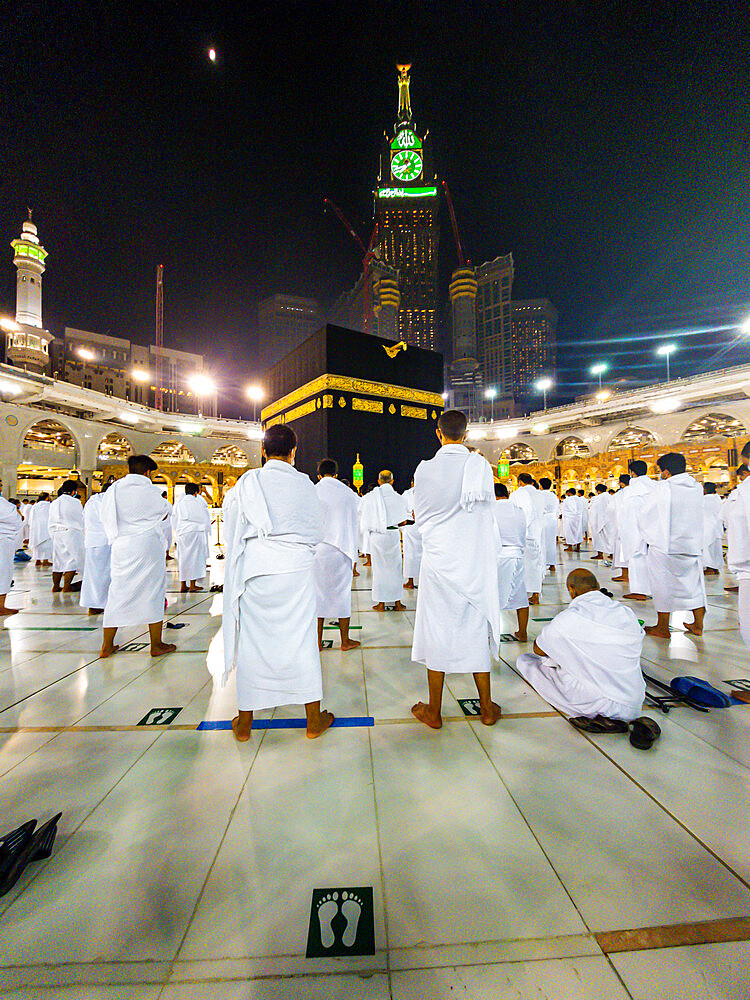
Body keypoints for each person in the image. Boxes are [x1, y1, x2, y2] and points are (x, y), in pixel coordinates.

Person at [222, 424, 333, 741]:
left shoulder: (249, 483)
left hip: (257, 571)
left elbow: (234, 530)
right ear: (294, 451)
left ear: (262, 450)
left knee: (253, 645)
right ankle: (313, 720)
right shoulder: (304, 485)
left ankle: (244, 724)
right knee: (302, 643)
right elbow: (316, 532)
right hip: (295, 572)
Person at [411, 410, 502, 729]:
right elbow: (487, 516)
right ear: (466, 434)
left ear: (439, 434)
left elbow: (420, 520)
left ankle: (434, 710)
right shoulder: (479, 466)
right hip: (473, 563)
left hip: (438, 562)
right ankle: (487, 709)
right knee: (475, 631)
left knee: (437, 630)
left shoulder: (424, 469)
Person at [516, 568, 646, 722]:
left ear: (571, 591)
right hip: (633, 702)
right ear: (597, 586)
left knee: (526, 661)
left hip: (599, 705)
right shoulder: (626, 612)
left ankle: (600, 718)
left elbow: (538, 649)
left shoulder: (569, 618)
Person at [99, 455, 175, 659]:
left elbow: (104, 514)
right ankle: (156, 644)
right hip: (146, 546)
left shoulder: (115, 488)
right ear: (148, 472)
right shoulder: (149, 490)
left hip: (122, 545)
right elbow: (165, 513)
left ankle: (107, 646)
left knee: (117, 591)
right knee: (153, 591)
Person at [638, 452, 706, 637]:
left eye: (661, 471)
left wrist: (648, 537)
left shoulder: (663, 488)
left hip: (665, 545)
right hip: (692, 544)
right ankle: (698, 624)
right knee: (694, 585)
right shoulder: (696, 486)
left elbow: (646, 513)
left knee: (662, 585)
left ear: (666, 471)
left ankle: (662, 627)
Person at [314, 458, 361, 651]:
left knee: (317, 595)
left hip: (317, 549)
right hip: (341, 549)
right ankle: (345, 641)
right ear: (335, 474)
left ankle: (316, 642)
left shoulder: (313, 490)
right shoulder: (348, 493)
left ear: (319, 475)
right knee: (342, 594)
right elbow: (355, 520)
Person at [359, 470, 408, 612]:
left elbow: (362, 513)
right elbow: (403, 520)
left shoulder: (370, 497)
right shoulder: (398, 498)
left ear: (379, 481)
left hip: (377, 536)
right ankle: (397, 602)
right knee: (395, 568)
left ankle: (381, 603)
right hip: (392, 534)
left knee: (379, 569)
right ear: (392, 481)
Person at [494, 483, 530, 641]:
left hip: (497, 556)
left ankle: (491, 633)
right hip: (516, 556)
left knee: (491, 595)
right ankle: (522, 632)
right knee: (520, 594)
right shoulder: (519, 510)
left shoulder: (490, 510)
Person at [617, 460, 657, 601]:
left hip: (636, 530)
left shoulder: (632, 490)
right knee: (652, 560)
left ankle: (640, 590)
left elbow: (628, 513)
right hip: (655, 530)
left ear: (632, 472)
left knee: (637, 559)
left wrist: (624, 531)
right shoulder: (656, 486)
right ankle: (653, 588)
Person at [510, 472, 546, 604]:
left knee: (526, 564)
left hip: (526, 532)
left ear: (519, 481)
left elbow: (521, 513)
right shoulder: (539, 494)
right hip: (539, 531)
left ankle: (529, 594)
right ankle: (535, 593)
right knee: (538, 562)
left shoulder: (518, 494)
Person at [172, 483, 212, 592]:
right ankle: (193, 585)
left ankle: (183, 584)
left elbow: (174, 517)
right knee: (194, 557)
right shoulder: (198, 502)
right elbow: (205, 518)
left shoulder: (179, 503)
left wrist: (177, 531)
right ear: (196, 492)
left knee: (183, 557)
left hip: (182, 533)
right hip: (196, 532)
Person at [79, 482, 112, 615]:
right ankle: (101, 604)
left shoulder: (91, 501)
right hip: (106, 542)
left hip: (92, 541)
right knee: (106, 574)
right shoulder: (108, 501)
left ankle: (92, 605)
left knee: (92, 575)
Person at [48, 481, 85, 593]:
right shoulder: (75, 502)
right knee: (73, 559)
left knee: (58, 560)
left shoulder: (55, 502)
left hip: (56, 533)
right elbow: (79, 518)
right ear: (74, 491)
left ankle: (55, 586)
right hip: (71, 532)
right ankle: (67, 586)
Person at [0, 495, 22, 615]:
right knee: (3, 572)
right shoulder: (3, 504)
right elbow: (15, 518)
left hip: (4, 538)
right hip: (3, 539)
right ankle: (0, 606)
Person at [401, 479, 422, 589]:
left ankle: (424, 580)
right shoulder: (406, 494)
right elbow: (402, 509)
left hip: (423, 526)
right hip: (410, 526)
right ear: (412, 483)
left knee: (425, 555)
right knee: (409, 555)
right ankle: (410, 581)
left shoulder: (426, 492)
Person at [611, 474, 631, 583]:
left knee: (623, 550)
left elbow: (611, 509)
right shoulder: (636, 491)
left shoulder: (620, 494)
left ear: (621, 483)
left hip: (623, 525)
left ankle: (625, 574)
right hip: (636, 526)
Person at [702, 482, 724, 575]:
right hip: (717, 526)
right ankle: (716, 568)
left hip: (707, 526)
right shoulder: (717, 498)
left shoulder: (704, 500)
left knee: (707, 548)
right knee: (716, 548)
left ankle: (709, 567)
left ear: (706, 489)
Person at [538, 477, 559, 573]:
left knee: (542, 541)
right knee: (551, 542)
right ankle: (552, 564)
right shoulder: (553, 495)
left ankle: (543, 562)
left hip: (543, 518)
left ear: (540, 485)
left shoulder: (539, 495)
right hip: (552, 519)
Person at [588, 484, 613, 560]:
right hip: (610, 520)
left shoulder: (597, 498)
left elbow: (594, 510)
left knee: (599, 538)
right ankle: (612, 553)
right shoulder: (611, 497)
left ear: (598, 490)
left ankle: (600, 554)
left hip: (599, 521)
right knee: (610, 537)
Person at [29, 493, 52, 566]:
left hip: (36, 526)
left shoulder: (35, 506)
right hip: (46, 527)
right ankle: (45, 561)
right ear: (47, 498)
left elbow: (31, 517)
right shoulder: (49, 505)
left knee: (37, 543)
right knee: (47, 544)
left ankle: (37, 560)